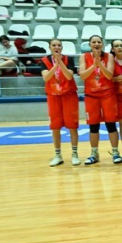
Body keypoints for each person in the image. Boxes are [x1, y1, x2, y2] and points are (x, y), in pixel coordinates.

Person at [79, 35, 120, 165]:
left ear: (102, 44)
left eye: (98, 42)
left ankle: (115, 152)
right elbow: (83, 76)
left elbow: (109, 75)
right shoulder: (84, 56)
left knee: (110, 124)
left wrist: (100, 64)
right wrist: (94, 65)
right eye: (93, 42)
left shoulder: (109, 56)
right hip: (91, 96)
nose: (96, 44)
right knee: (93, 126)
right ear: (90, 44)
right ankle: (94, 153)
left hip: (107, 94)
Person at [42, 39, 80, 167]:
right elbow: (46, 78)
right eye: (54, 45)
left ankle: (74, 154)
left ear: (62, 47)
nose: (56, 47)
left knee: (72, 126)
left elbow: (69, 76)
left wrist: (60, 63)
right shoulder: (44, 61)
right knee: (55, 126)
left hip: (69, 95)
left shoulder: (68, 59)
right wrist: (55, 65)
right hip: (53, 96)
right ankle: (58, 155)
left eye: (59, 45)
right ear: (50, 47)